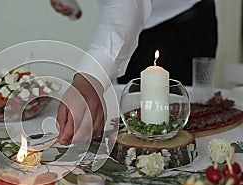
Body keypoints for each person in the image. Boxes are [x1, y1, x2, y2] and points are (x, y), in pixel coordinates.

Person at [50, 0, 218, 145]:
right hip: (131, 25)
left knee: (189, 117)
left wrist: (90, 79)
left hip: (182, 20)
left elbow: (125, 6)